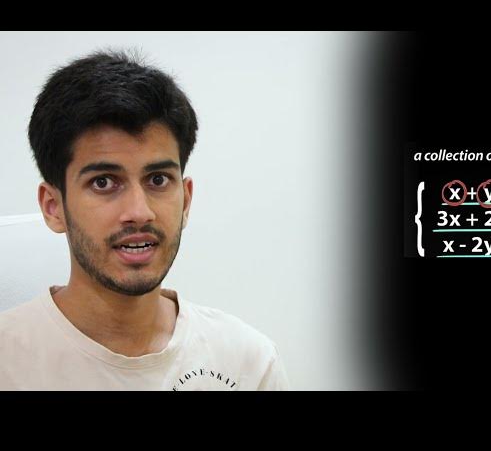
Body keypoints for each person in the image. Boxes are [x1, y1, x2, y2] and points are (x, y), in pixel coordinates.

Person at [0, 50, 289, 390]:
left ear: (186, 200)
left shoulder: (248, 363)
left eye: (158, 180)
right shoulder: (10, 361)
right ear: (53, 207)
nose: (139, 212)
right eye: (103, 182)